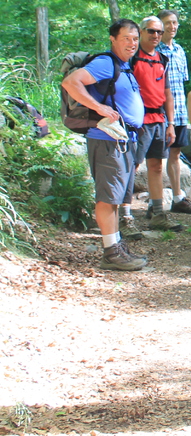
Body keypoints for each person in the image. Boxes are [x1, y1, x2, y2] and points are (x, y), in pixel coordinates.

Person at [61, 19, 148, 271]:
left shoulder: (123, 66)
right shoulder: (106, 63)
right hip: (106, 139)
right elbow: (71, 82)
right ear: (113, 39)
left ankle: (116, 245)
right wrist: (98, 107)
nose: (132, 43)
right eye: (126, 38)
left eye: (135, 39)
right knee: (108, 197)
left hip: (122, 140)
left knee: (116, 196)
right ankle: (111, 253)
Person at [132, 16, 183, 233]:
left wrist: (171, 123)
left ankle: (158, 213)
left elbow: (167, 93)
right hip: (137, 121)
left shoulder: (163, 59)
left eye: (159, 32)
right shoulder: (132, 57)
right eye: (151, 31)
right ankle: (123, 216)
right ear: (141, 31)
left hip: (159, 120)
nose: (155, 35)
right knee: (131, 166)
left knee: (156, 166)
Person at [156, 9, 191, 215]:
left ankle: (177, 198)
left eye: (174, 22)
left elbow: (182, 82)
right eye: (167, 23)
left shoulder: (180, 50)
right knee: (155, 157)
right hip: (159, 111)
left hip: (179, 111)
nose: (172, 27)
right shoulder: (154, 51)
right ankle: (154, 202)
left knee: (175, 154)